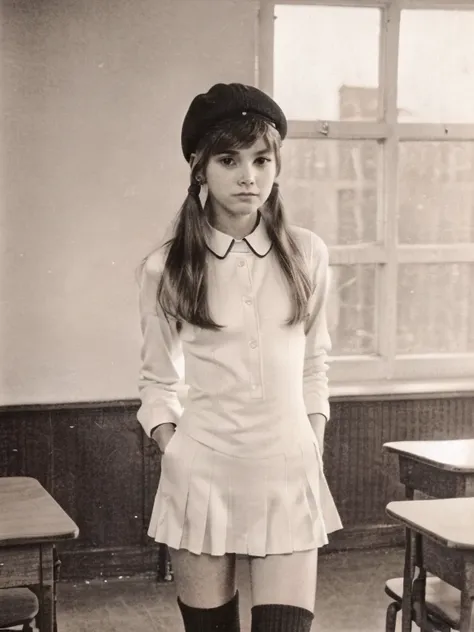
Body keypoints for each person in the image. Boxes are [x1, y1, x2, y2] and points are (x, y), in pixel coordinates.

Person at [136, 82, 342, 632]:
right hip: (201, 474)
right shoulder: (166, 267)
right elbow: (157, 383)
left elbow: (314, 367)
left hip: (287, 469)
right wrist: (174, 450)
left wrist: (311, 442)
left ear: (277, 166)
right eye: (229, 159)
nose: (249, 175)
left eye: (261, 158)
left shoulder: (308, 255)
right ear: (201, 169)